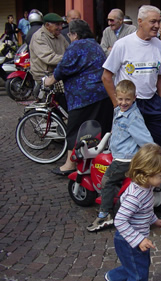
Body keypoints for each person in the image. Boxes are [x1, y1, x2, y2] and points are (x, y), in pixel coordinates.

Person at [102, 5, 161, 192]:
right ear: (140, 22)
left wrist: (160, 99)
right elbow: (106, 76)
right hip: (129, 104)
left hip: (152, 102)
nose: (157, 25)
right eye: (153, 21)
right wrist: (117, 105)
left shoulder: (159, 45)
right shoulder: (123, 45)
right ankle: (127, 182)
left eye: (159, 21)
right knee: (128, 145)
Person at [44, 20, 113, 175]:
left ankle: (70, 164)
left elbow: (63, 67)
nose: (69, 37)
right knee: (99, 129)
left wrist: (49, 80)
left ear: (75, 34)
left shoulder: (77, 46)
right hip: (103, 93)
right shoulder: (94, 44)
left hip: (83, 96)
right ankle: (97, 162)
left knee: (75, 129)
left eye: (70, 34)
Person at [86, 80, 153, 232]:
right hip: (119, 152)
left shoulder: (133, 117)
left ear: (134, 98)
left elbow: (145, 138)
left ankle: (105, 215)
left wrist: (153, 152)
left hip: (125, 157)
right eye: (121, 99)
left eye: (127, 99)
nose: (124, 103)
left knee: (107, 181)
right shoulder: (118, 111)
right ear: (116, 97)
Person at [104, 143, 161, 281]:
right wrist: (139, 240)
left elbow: (145, 210)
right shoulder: (135, 196)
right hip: (129, 241)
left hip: (136, 238)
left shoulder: (147, 188)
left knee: (140, 266)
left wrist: (154, 220)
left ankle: (115, 278)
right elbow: (119, 220)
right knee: (139, 276)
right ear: (147, 173)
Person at [29, 13, 69, 82]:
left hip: (58, 72)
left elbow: (69, 50)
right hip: (44, 75)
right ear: (47, 25)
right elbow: (49, 58)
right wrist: (69, 59)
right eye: (57, 24)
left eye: (61, 24)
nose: (61, 28)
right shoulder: (39, 37)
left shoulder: (60, 37)